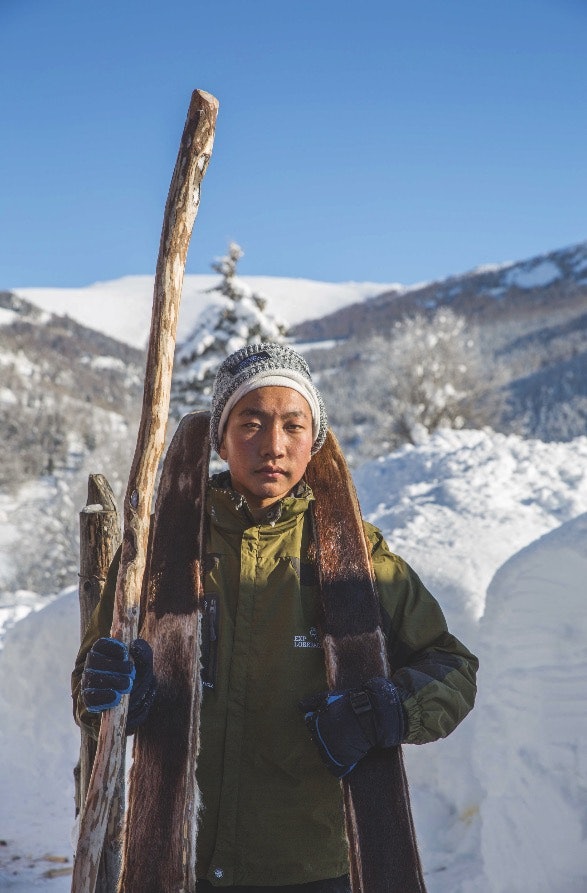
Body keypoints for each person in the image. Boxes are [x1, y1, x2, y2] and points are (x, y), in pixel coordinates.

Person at [72, 342, 478, 892]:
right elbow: (89, 686)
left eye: (293, 425)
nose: (274, 446)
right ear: (220, 438)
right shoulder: (158, 552)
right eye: (251, 423)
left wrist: (387, 711)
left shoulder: (354, 555)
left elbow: (450, 664)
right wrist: (114, 692)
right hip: (177, 855)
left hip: (311, 864)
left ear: (315, 439)